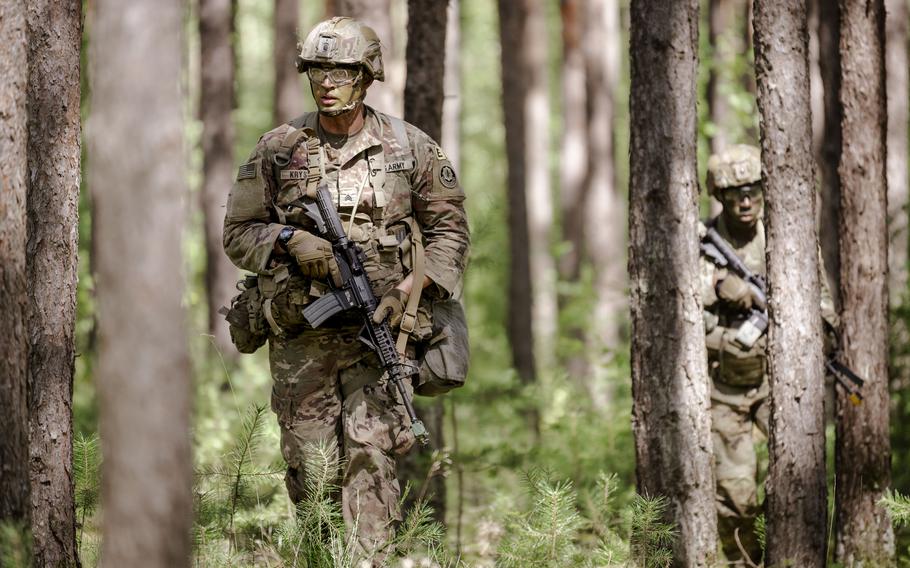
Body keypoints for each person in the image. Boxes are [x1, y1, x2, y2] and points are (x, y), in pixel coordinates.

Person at [221, 16, 470, 560]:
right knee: (311, 477)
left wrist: (410, 287)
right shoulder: (279, 148)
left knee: (371, 464)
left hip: (381, 341)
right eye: (318, 71)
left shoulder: (410, 148)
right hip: (301, 344)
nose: (327, 82)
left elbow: (450, 231)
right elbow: (237, 234)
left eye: (341, 71)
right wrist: (290, 238)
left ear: (367, 75)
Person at [699, 144, 837, 564]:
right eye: (734, 191)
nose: (745, 200)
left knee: (800, 484)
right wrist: (718, 290)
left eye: (753, 189)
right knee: (736, 496)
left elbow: (825, 309)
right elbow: (680, 322)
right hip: (724, 389)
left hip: (779, 383)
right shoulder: (704, 243)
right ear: (719, 195)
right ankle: (745, 562)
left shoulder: (786, 240)